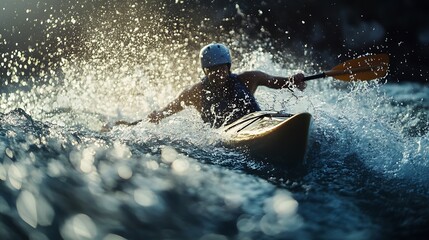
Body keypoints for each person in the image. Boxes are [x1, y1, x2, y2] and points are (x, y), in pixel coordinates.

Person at [126, 43, 306, 128]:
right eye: (213, 70)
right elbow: (164, 112)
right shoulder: (194, 92)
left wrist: (294, 80)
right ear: (205, 71)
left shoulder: (249, 79)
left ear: (228, 67)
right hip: (226, 135)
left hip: (257, 123)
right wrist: (133, 124)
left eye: (222, 69)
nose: (219, 74)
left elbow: (279, 82)